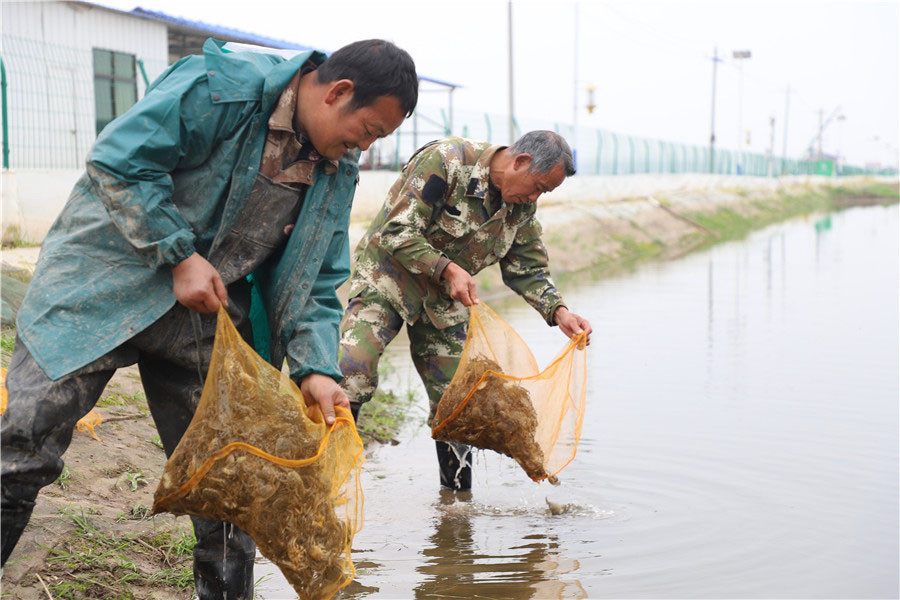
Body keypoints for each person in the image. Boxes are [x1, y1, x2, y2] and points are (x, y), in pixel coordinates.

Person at [1, 37, 418, 599]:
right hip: (102, 286)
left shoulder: (335, 173)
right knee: (22, 446)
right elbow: (119, 161)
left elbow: (318, 279)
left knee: (230, 486)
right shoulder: (219, 90)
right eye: (367, 130)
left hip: (208, 320)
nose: (363, 147)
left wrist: (316, 368)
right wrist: (179, 256)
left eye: (375, 140)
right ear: (338, 92)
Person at [339, 130, 593, 491]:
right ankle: (331, 484)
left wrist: (559, 311)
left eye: (544, 193)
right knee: (353, 370)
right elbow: (397, 232)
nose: (535, 198)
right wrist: (447, 269)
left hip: (445, 301)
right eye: (537, 187)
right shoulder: (447, 162)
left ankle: (456, 506)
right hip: (388, 280)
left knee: (459, 403)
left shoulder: (520, 206)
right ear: (520, 162)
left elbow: (527, 268)